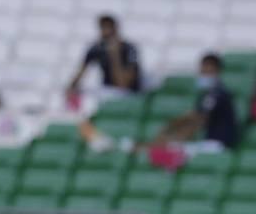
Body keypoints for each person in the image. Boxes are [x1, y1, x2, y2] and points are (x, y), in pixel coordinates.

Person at [81, 52, 237, 155]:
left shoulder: (218, 94)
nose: (204, 75)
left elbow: (198, 119)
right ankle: (136, 147)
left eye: (208, 71)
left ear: (218, 71)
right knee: (170, 143)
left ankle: (134, 147)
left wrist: (175, 133)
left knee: (172, 147)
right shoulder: (206, 94)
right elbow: (192, 116)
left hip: (217, 145)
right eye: (202, 71)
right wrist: (171, 128)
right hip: (207, 142)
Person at [66, 15, 141, 102]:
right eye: (103, 28)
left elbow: (123, 84)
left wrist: (115, 56)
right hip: (106, 91)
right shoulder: (97, 48)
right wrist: (71, 88)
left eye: (108, 28)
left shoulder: (129, 49)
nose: (106, 32)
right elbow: (79, 74)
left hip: (128, 94)